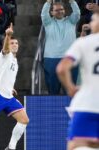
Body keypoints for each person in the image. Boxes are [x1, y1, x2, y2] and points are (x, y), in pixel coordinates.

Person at [56, 10, 99, 150]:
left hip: (87, 105)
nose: (91, 23)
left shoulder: (84, 42)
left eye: (93, 20)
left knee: (75, 145)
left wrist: (71, 88)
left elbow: (62, 69)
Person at [41, 0, 80, 95]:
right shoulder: (48, 22)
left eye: (61, 9)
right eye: (56, 10)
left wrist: (71, 1)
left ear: (65, 10)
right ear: (52, 12)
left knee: (70, 90)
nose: (59, 11)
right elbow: (43, 14)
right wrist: (48, 2)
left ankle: (70, 109)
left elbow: (77, 13)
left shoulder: (71, 21)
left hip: (70, 58)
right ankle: (53, 109)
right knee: (53, 90)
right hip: (51, 59)